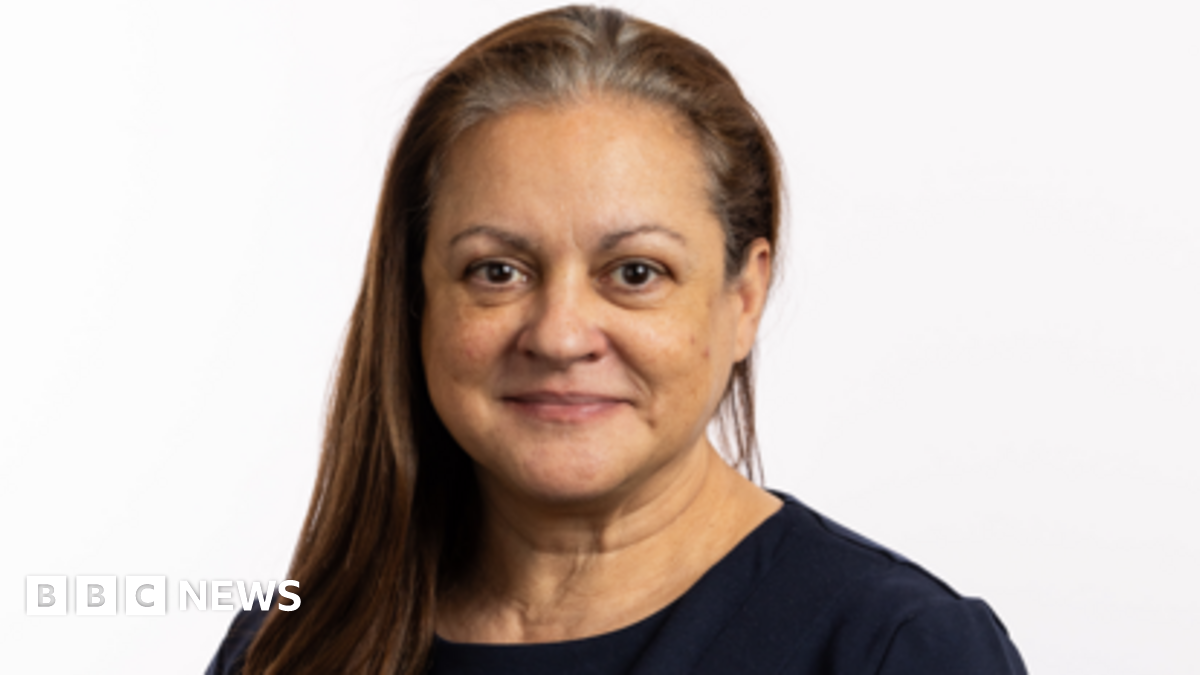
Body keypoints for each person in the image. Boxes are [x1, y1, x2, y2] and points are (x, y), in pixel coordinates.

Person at [206, 6, 1026, 674]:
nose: (560, 333)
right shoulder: (288, 646)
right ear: (417, 295)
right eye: (497, 271)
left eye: (635, 272)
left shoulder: (896, 650)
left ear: (745, 296)